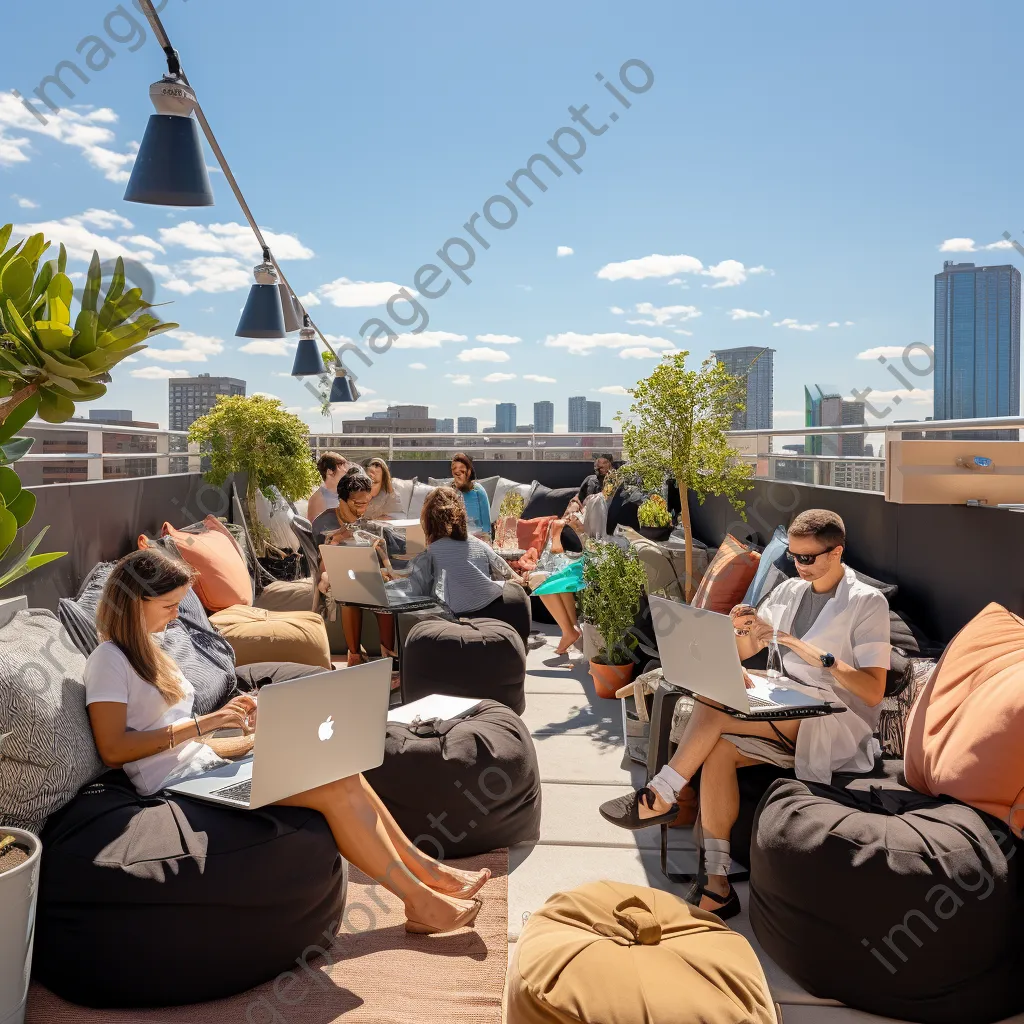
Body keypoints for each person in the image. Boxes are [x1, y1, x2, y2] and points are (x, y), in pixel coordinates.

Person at [84, 549, 487, 935]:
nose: (175, 618)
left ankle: (427, 872)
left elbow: (176, 731)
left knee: (340, 766)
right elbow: (114, 749)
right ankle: (420, 901)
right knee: (331, 787)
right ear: (137, 601)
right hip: (173, 787)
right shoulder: (109, 660)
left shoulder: (150, 650)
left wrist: (245, 726)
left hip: (203, 768)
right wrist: (206, 724)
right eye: (169, 606)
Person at [599, 509, 890, 920]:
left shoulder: (865, 602)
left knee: (717, 704)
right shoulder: (789, 592)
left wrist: (809, 651)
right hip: (786, 698)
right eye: (793, 557)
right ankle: (717, 887)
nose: (799, 566)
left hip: (833, 717)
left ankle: (662, 793)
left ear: (837, 551)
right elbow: (746, 649)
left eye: (808, 558)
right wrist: (737, 634)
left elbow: (873, 690)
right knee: (719, 742)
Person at [315, 467, 397, 667]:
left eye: (366, 502)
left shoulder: (368, 524)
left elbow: (383, 558)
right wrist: (336, 540)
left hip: (366, 575)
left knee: (384, 598)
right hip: (335, 576)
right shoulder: (323, 522)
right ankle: (354, 656)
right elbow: (320, 568)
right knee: (349, 596)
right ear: (342, 499)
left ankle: (390, 659)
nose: (363, 508)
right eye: (357, 503)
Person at [406, 487, 528, 616]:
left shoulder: (430, 554)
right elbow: (510, 577)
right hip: (499, 609)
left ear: (427, 520)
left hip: (458, 617)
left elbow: (414, 592)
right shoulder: (478, 543)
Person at [450, 452, 491, 539]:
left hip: (478, 537)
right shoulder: (450, 491)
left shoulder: (478, 490)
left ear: (468, 472)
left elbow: (486, 526)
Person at [306, 452, 350, 524]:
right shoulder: (318, 499)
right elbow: (315, 531)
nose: (345, 470)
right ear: (330, 472)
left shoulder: (345, 494)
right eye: (341, 465)